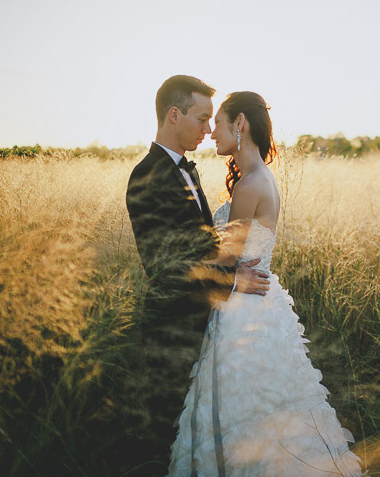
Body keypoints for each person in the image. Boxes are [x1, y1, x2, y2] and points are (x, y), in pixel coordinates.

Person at [167, 91, 366, 476]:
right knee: (271, 401)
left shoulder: (248, 187)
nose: (211, 133)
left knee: (244, 405)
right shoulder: (261, 179)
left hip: (242, 306)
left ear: (239, 124)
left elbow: (224, 262)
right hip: (263, 300)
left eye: (219, 123)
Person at [125, 75, 270, 470]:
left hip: (201, 322)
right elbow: (163, 267)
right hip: (171, 329)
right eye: (202, 118)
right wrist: (233, 280)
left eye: (212, 120)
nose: (209, 129)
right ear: (174, 115)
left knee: (197, 434)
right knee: (168, 438)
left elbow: (201, 247)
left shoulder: (185, 171)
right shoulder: (148, 176)